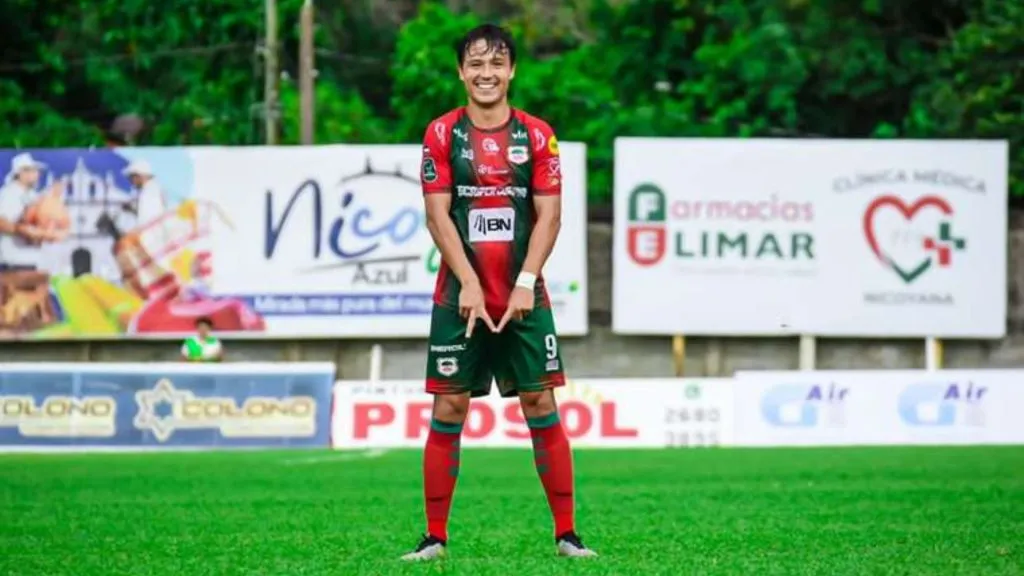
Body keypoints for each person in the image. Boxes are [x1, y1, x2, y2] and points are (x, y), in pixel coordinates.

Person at [402, 24, 596, 561]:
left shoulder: (537, 136)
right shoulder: (441, 134)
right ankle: (434, 537)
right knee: (449, 407)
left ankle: (567, 535)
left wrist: (526, 283)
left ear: (510, 71)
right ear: (461, 72)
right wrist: (467, 280)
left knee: (540, 399)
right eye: (476, 64)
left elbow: (550, 215)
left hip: (523, 296)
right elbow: (437, 214)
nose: (486, 74)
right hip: (457, 296)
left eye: (497, 64)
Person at [0, 153, 50, 272]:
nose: (37, 174)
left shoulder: (34, 195)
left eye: (36, 171)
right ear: (21, 173)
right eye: (33, 170)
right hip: (13, 262)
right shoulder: (8, 193)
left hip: (32, 261)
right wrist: (25, 231)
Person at [122, 159, 168, 227]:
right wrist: (132, 210)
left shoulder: (151, 191)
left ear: (140, 175)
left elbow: (148, 220)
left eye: (132, 177)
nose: (131, 181)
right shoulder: (152, 188)